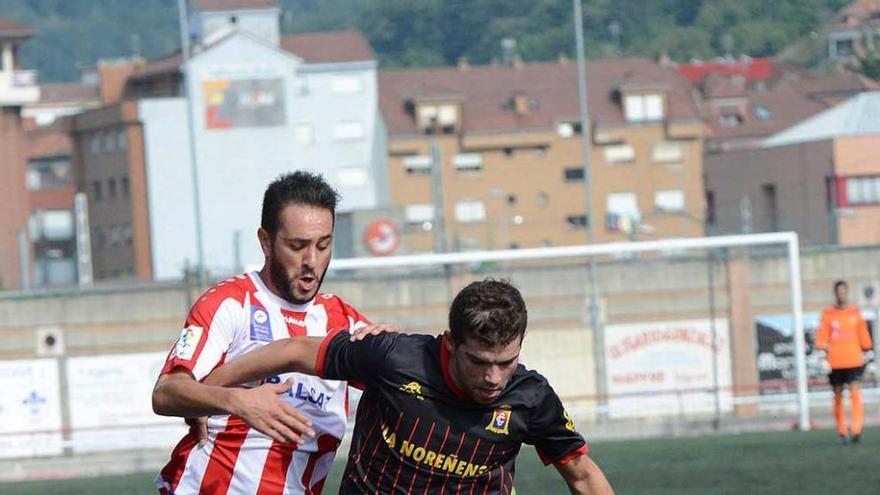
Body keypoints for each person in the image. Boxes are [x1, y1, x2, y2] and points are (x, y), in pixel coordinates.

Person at [204, 279, 615, 494]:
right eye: (479, 362)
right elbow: (293, 350)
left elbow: (582, 476)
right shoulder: (392, 358)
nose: (493, 378)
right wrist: (209, 393)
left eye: (505, 363)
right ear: (450, 343)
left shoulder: (531, 398)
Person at [151, 171, 396, 494]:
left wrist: (395, 348)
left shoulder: (343, 322)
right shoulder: (229, 303)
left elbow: (405, 380)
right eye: (298, 246)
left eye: (323, 245)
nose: (312, 261)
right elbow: (166, 393)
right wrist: (237, 401)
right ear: (266, 242)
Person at [815, 280, 874, 444]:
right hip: (835, 362)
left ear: (847, 292)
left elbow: (864, 337)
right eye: (838, 291)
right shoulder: (828, 314)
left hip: (854, 359)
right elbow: (822, 338)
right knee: (838, 396)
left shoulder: (855, 313)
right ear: (835, 293)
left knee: (855, 393)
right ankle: (842, 431)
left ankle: (856, 429)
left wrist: (868, 351)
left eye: (843, 291)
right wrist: (822, 355)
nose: (841, 294)